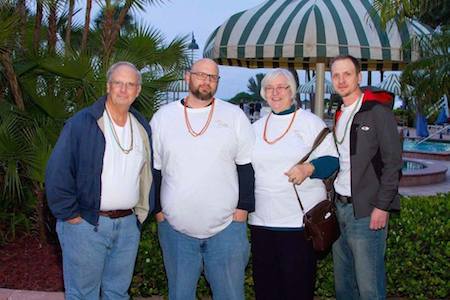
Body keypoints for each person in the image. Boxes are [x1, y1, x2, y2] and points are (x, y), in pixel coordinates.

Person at [45, 61, 155, 300]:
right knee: (84, 294)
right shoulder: (83, 123)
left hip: (127, 226)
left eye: (130, 84)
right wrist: (71, 215)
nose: (124, 89)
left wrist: (140, 215)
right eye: (118, 83)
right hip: (87, 224)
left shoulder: (142, 127)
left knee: (117, 293)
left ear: (137, 91)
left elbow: (146, 174)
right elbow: (57, 171)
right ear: (108, 86)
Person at [150, 58, 255, 300]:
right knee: (179, 295)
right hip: (176, 230)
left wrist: (242, 211)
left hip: (227, 230)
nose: (206, 81)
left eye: (212, 77)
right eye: (201, 75)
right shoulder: (163, 118)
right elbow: (155, 170)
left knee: (230, 295)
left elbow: (246, 166)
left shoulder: (234, 116)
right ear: (188, 77)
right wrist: (158, 212)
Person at [248, 68, 339, 300]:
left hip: (299, 224)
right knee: (266, 288)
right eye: (269, 88)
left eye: (281, 88)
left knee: (297, 288)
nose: (275, 93)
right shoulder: (255, 128)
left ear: (292, 92)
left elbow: (332, 161)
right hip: (261, 221)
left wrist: (309, 168)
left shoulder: (310, 122)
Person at [330, 55, 402, 300]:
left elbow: (393, 163)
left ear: (359, 77)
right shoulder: (339, 113)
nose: (341, 80)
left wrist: (382, 206)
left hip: (366, 212)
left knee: (369, 288)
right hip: (339, 208)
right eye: (336, 75)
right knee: (344, 286)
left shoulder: (378, 112)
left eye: (347, 74)